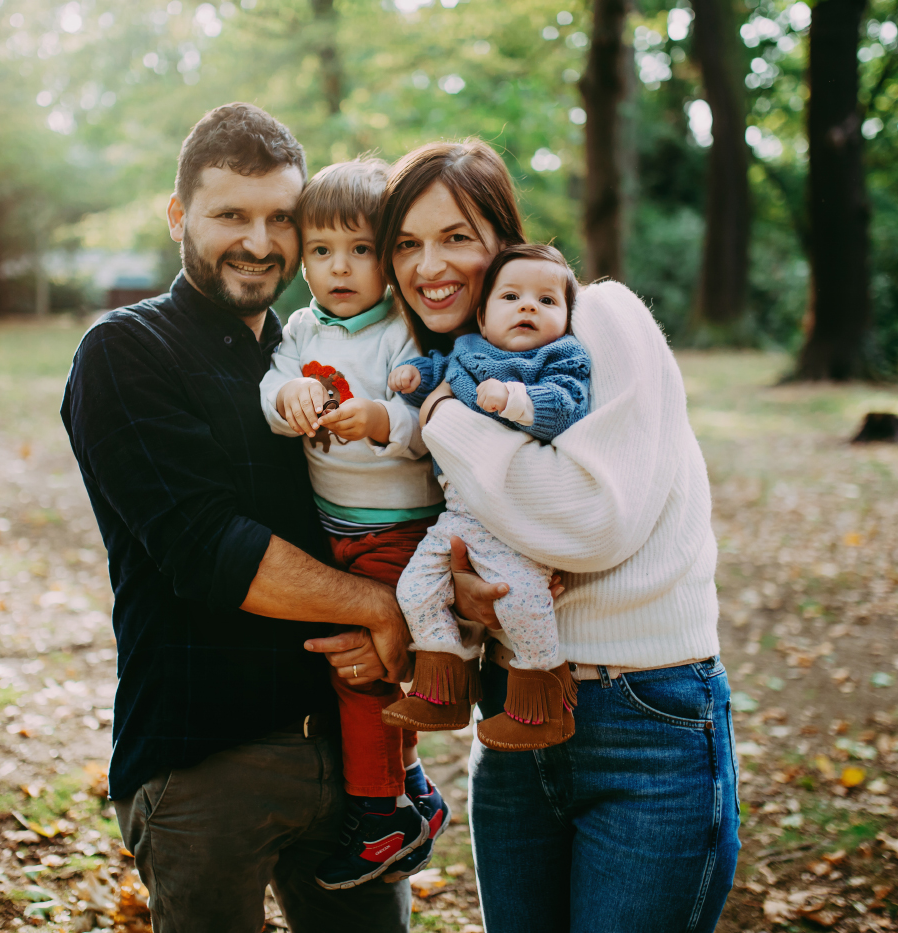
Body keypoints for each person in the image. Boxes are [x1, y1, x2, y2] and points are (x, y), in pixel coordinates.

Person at [362, 138, 740, 932]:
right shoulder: (446, 365)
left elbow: (590, 521)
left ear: (504, 239)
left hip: (646, 717)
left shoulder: (598, 315)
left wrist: (442, 420)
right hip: (511, 726)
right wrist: (469, 599)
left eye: (456, 237)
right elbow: (483, 545)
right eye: (406, 243)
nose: (429, 265)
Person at [60, 102, 413, 933]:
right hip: (206, 761)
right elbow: (207, 549)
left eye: (281, 218)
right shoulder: (125, 351)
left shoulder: (308, 351)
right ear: (179, 215)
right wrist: (383, 608)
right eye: (230, 215)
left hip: (353, 754)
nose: (260, 241)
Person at [258, 157, 450, 890]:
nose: (339, 269)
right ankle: (413, 791)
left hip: (398, 527)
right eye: (320, 251)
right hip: (333, 525)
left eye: (361, 250)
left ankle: (381, 818)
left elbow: (429, 419)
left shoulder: (400, 330)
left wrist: (382, 418)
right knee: (361, 659)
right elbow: (272, 384)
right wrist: (290, 400)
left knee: (361, 674)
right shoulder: (303, 328)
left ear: (389, 256)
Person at [382, 244, 591, 752]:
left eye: (546, 301)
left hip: (511, 521)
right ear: (482, 313)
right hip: (458, 514)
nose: (528, 308)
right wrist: (415, 379)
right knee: (415, 589)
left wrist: (517, 401)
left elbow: (566, 403)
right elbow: (441, 374)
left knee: (521, 603)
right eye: (512, 296)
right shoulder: (468, 349)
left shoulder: (559, 356)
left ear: (566, 317)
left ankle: (541, 701)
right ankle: (443, 684)